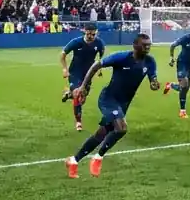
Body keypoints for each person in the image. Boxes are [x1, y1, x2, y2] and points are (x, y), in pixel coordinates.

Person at [66, 33, 160, 178]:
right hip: (108, 99)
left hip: (124, 103)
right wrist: (83, 86)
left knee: (102, 133)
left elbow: (153, 79)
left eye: (149, 45)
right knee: (121, 128)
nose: (147, 48)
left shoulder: (150, 62)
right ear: (135, 45)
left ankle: (74, 160)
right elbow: (96, 65)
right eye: (144, 45)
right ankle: (98, 158)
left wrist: (154, 84)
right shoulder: (122, 57)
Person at [59, 25, 105, 131]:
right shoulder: (76, 42)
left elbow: (101, 56)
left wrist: (100, 69)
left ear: (96, 33)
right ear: (84, 32)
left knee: (82, 98)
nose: (90, 36)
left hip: (88, 73)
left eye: (93, 34)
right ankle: (78, 122)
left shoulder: (99, 43)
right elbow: (62, 54)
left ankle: (69, 94)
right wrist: (65, 69)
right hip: (75, 72)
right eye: (88, 33)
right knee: (78, 95)